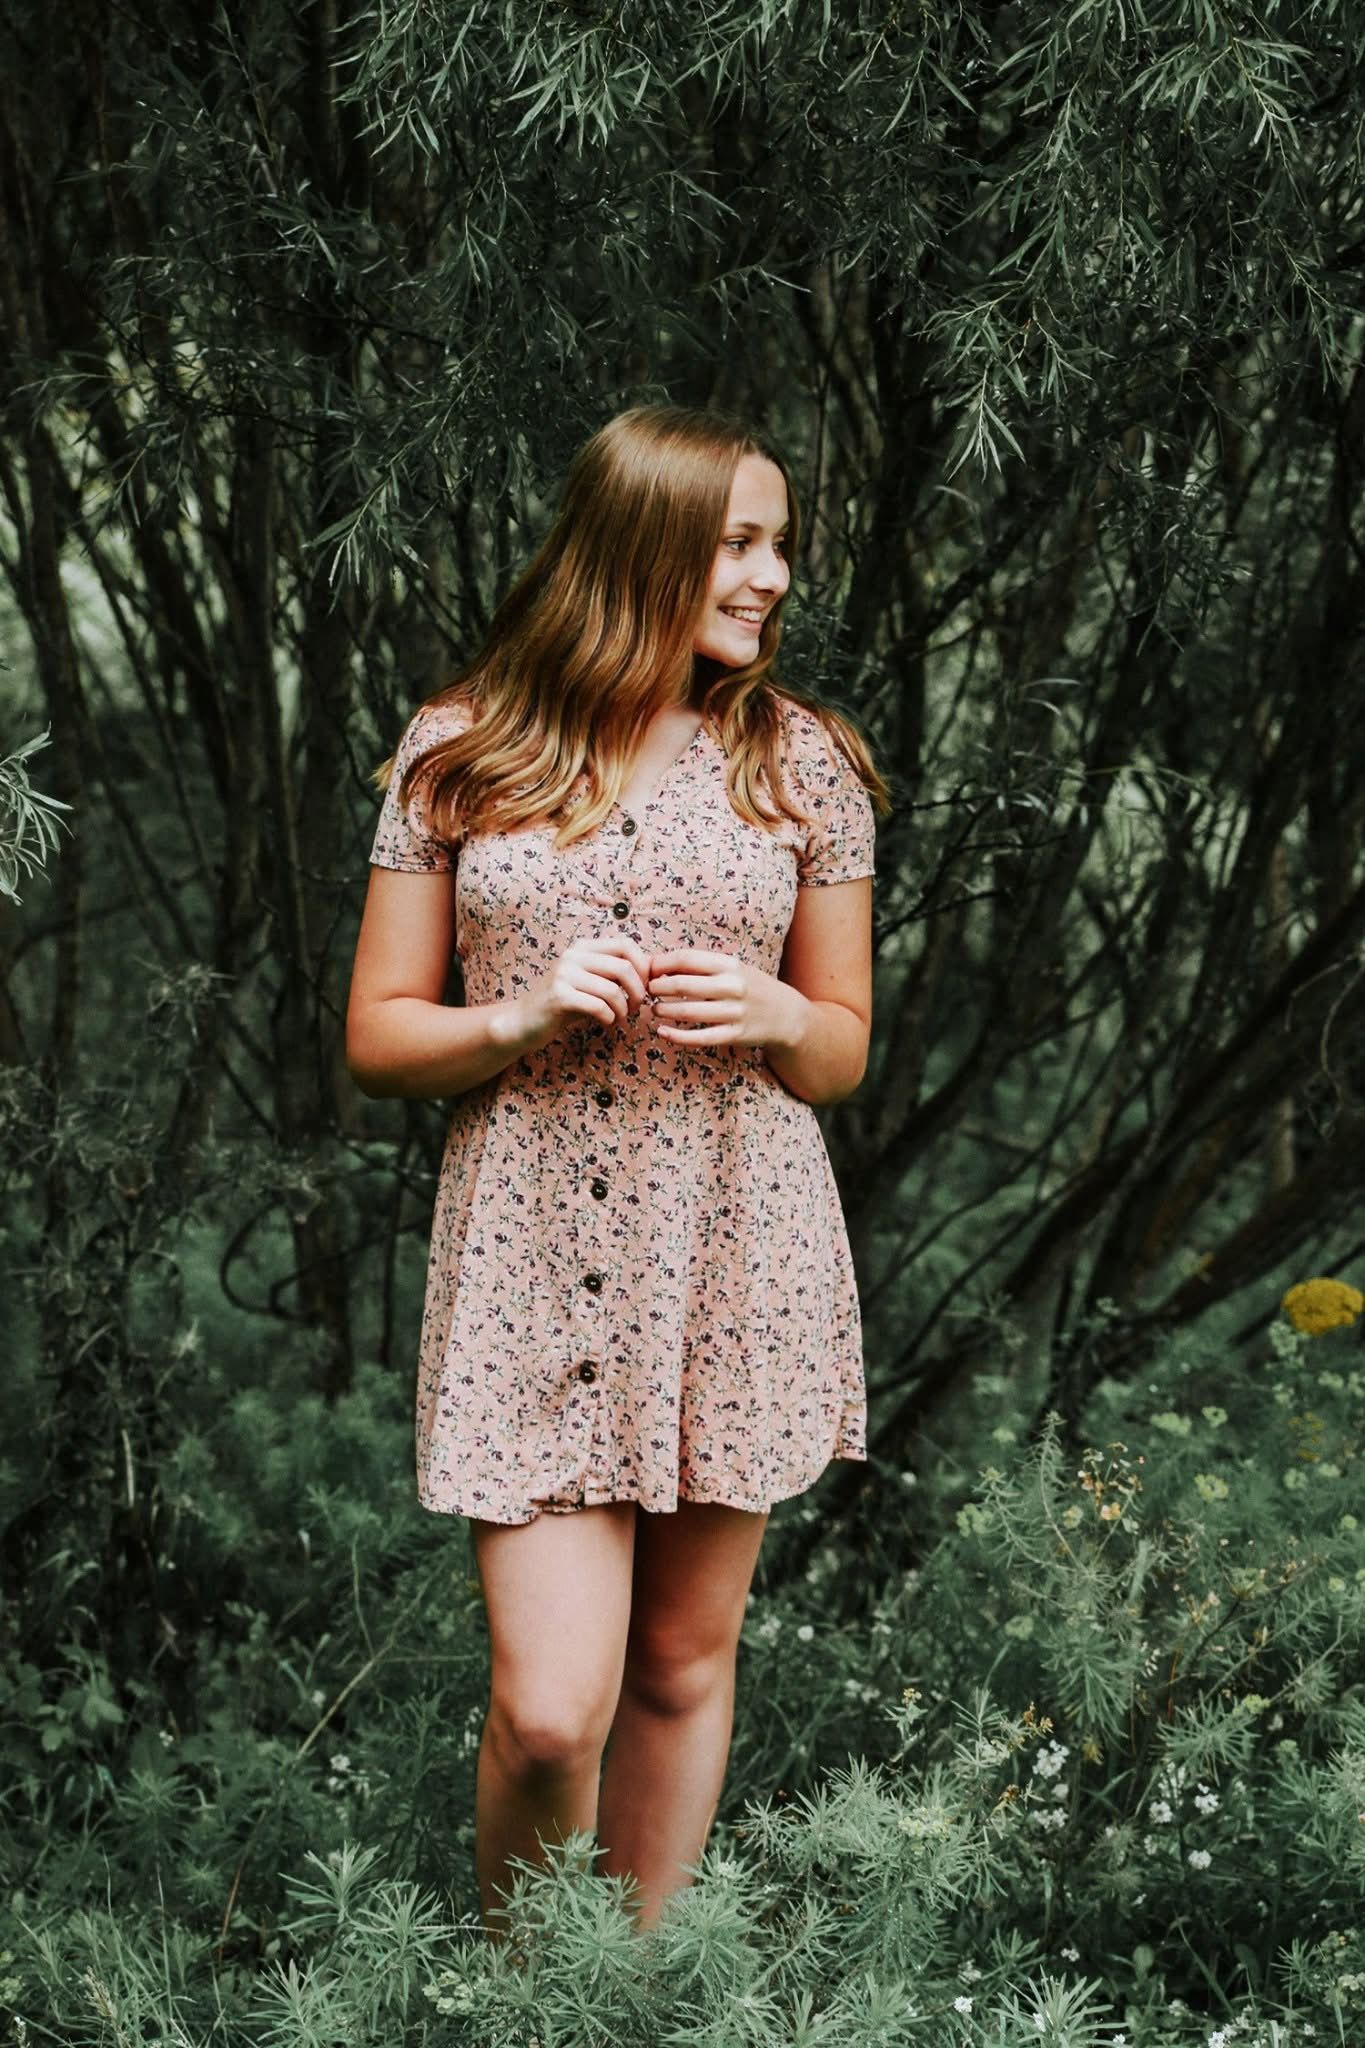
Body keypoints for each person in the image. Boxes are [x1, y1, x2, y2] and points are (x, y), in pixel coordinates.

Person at [345, 403, 887, 1941]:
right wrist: (516, 1013)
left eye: (777, 542)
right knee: (546, 1711)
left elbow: (840, 1049)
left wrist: (785, 1011)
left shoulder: (804, 767)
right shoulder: (464, 749)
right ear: (640, 542)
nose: (772, 575)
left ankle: (622, 1995)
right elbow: (379, 1037)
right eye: (738, 541)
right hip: (529, 1239)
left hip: (738, 1228)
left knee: (675, 1667)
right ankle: (531, 2003)